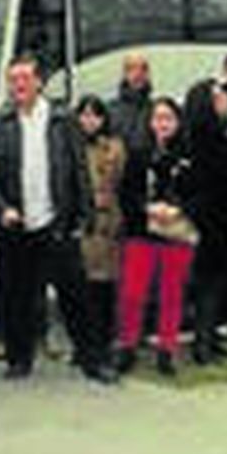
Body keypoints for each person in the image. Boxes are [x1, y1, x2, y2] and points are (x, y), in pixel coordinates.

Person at [0, 55, 114, 383]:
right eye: (13, 79)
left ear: (39, 82)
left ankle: (92, 360)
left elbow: (79, 169)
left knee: (75, 296)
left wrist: (85, 214)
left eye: (25, 78)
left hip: (57, 222)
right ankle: (18, 359)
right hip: (16, 225)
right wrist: (1, 208)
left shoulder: (62, 120)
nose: (19, 85)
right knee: (17, 297)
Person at [115, 97, 199, 377]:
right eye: (157, 118)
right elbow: (126, 193)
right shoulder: (138, 154)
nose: (162, 124)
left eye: (168, 118)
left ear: (178, 122)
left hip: (177, 231)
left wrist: (178, 209)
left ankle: (167, 349)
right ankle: (127, 345)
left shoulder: (189, 155)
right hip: (142, 231)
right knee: (132, 293)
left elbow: (200, 194)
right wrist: (147, 208)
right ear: (150, 122)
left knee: (172, 294)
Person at [182, 79, 227, 364]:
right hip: (214, 220)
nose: (225, 101)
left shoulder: (206, 135)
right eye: (219, 96)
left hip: (217, 218)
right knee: (210, 282)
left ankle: (209, 336)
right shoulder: (207, 138)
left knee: (215, 283)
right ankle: (203, 343)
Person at [72, 96, 123, 360]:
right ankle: (85, 346)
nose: (89, 121)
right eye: (84, 115)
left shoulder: (114, 147)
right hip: (82, 223)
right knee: (82, 287)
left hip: (109, 224)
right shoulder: (70, 146)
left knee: (106, 287)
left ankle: (105, 342)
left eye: (95, 115)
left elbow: (120, 182)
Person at [107, 53, 153, 150]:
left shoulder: (155, 108)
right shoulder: (111, 109)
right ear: (125, 74)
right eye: (132, 68)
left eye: (143, 69)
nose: (138, 73)